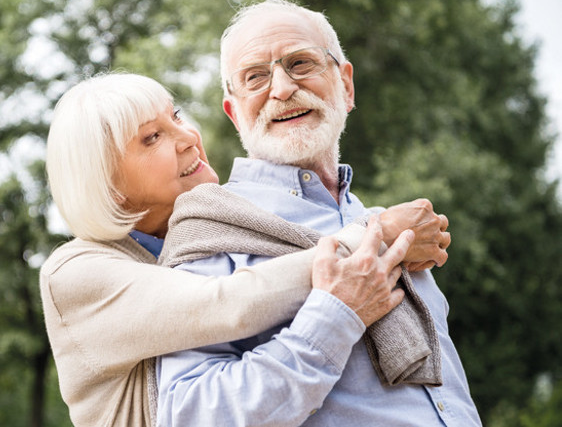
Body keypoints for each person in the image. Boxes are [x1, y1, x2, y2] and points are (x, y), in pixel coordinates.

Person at [40, 72, 451, 427]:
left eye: (176, 116)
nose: (188, 137)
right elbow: (225, 303)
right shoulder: (75, 273)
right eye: (152, 137)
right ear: (106, 183)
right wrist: (374, 237)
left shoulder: (218, 231)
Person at [155, 0, 482, 427]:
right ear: (234, 113)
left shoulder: (388, 224)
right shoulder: (212, 230)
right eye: (255, 77)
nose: (281, 88)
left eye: (300, 63)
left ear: (346, 85)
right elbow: (189, 414)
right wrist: (335, 317)